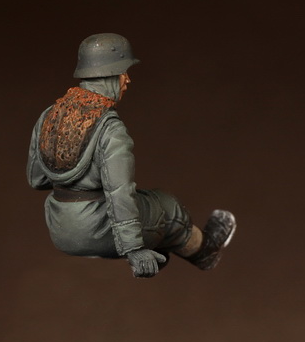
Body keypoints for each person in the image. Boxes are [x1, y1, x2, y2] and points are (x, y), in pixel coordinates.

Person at [27, 33, 236, 278]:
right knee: (167, 207)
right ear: (110, 74)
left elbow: (37, 179)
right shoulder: (110, 128)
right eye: (123, 72)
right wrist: (134, 249)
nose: (127, 79)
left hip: (60, 231)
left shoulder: (50, 115)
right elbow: (119, 191)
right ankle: (205, 252)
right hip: (99, 233)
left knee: (145, 202)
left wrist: (74, 179)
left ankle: (158, 246)